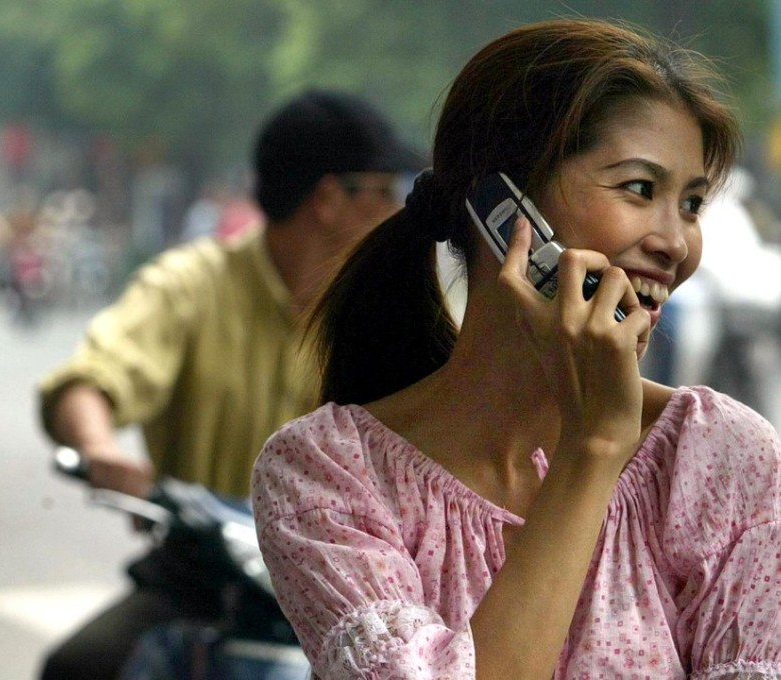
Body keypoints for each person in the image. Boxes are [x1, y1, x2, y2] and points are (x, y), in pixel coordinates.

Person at [252, 18, 781, 680]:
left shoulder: (721, 457)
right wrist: (592, 449)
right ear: (503, 208)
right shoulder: (324, 476)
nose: (676, 244)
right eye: (640, 190)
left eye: (693, 203)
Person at [37, 89, 422, 679]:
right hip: (205, 577)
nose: (397, 212)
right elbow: (93, 379)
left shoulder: (401, 313)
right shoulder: (189, 286)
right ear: (328, 198)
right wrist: (99, 449)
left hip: (355, 589)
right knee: (77, 667)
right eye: (384, 192)